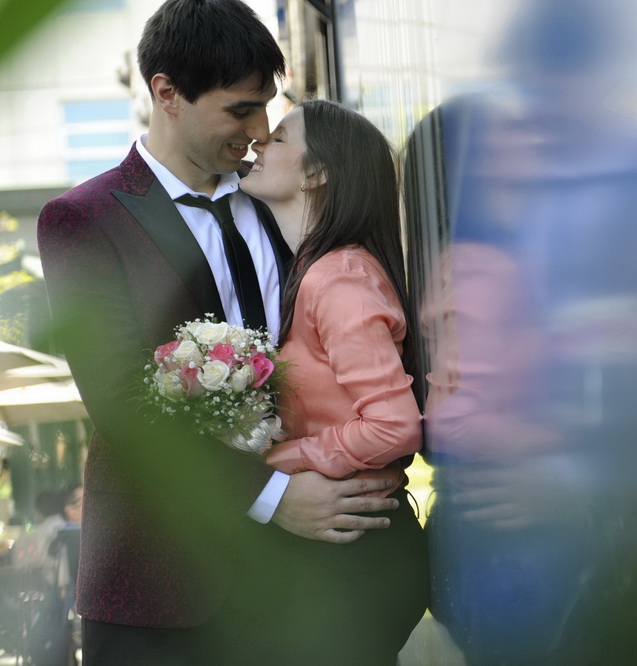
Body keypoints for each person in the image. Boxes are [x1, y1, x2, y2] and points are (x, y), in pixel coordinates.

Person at [36, 1, 401, 663]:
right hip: (165, 585)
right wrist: (272, 497)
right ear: (166, 93)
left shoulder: (280, 198)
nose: (260, 131)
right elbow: (121, 402)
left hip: (310, 579)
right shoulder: (83, 219)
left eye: (268, 108)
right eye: (240, 110)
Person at [237, 99, 430, 665]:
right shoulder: (318, 271)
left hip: (358, 556)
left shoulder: (337, 278)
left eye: (276, 139)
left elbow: (395, 426)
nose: (257, 146)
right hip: (348, 546)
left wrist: (284, 458)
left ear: (318, 172)